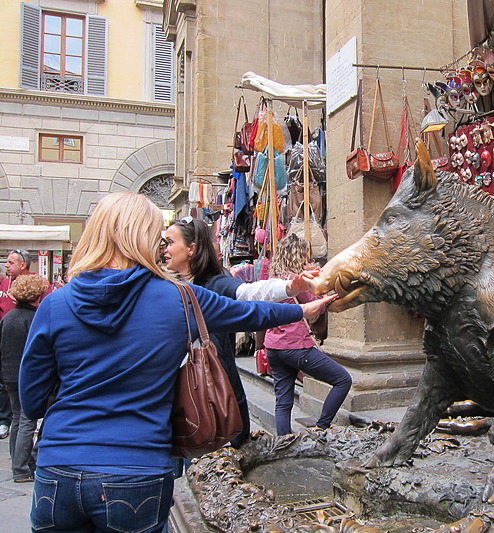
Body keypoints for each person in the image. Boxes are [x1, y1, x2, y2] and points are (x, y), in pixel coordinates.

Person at [19, 192, 335, 532]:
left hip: (58, 468)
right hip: (137, 468)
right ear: (144, 240)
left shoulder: (54, 305)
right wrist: (301, 308)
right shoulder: (178, 299)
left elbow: (32, 401)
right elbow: (247, 312)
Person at [163, 216, 318, 447]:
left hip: (213, 390)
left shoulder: (215, 285)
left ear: (191, 249)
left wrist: (290, 288)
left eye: (169, 242)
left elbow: (250, 294)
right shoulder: (164, 287)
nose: (165, 249)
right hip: (175, 394)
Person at [264, 234, 352, 435]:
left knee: (283, 402)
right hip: (296, 346)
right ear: (298, 257)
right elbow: (316, 308)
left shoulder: (272, 280)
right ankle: (321, 428)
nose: (308, 260)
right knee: (342, 379)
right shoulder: (297, 282)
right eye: (305, 257)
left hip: (274, 347)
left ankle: (284, 443)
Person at [0, 273, 51, 482]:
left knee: (18, 419)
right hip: (24, 375)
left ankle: (18, 462)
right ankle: (21, 468)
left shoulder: (8, 317)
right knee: (27, 419)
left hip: (8, 374)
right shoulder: (32, 318)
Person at [0, 249, 37, 441]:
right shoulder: (5, 282)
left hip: (23, 357)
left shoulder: (37, 284)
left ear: (22, 265)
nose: (6, 265)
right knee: (21, 417)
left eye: (10, 262)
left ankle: (20, 465)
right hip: (9, 349)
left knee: (23, 416)